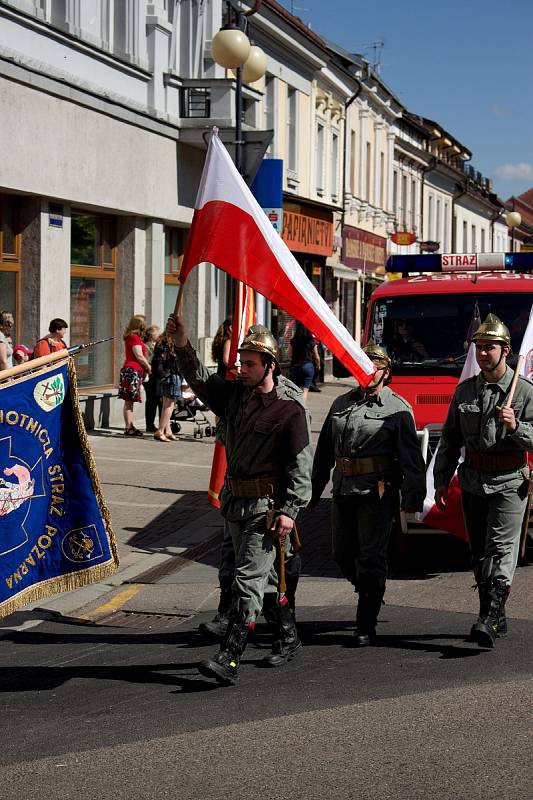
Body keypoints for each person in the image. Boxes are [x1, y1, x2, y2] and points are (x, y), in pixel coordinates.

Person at [167, 316, 313, 685]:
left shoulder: (288, 407)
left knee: (246, 581)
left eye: (250, 363)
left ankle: (229, 656)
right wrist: (183, 343)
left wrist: (290, 511)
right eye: (241, 362)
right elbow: (200, 378)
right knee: (261, 582)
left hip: (266, 511)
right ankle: (289, 637)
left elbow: (300, 466)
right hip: (235, 503)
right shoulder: (233, 395)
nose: (242, 369)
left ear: (270, 365)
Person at [309, 342, 426, 646]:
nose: (366, 372)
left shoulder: (397, 408)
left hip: (377, 492)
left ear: (386, 372)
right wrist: (312, 489)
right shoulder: (340, 404)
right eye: (361, 365)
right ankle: (371, 590)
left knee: (371, 555)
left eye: (373, 367)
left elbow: (413, 458)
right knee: (341, 554)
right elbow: (323, 453)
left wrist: (414, 495)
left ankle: (366, 620)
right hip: (343, 489)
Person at [434, 314, 533, 648]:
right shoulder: (464, 392)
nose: (482, 353)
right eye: (478, 347)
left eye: (489, 347)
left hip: (509, 482)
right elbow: (449, 440)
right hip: (474, 481)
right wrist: (440, 480)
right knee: (478, 554)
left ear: (505, 351)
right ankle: (494, 614)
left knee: (501, 549)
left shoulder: (524, 392)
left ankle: (488, 617)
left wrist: (516, 426)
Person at [118, 314, 151, 437]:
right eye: (143, 324)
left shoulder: (134, 337)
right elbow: (139, 356)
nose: (145, 327)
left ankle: (130, 426)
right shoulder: (133, 338)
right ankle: (128, 427)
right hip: (132, 370)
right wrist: (148, 366)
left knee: (130, 400)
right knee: (129, 400)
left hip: (133, 371)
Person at [153, 332, 183, 442]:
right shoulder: (174, 344)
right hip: (173, 375)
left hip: (163, 376)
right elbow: (179, 362)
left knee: (166, 404)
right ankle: (160, 431)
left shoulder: (161, 342)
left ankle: (168, 430)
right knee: (170, 405)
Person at [288, 322, 320, 403]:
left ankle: (294, 407)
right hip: (307, 366)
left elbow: (289, 354)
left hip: (295, 366)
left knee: (295, 389)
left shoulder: (293, 341)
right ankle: (302, 407)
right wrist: (318, 365)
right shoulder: (311, 341)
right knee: (304, 390)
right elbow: (316, 356)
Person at [143, 324, 161, 433]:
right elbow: (148, 360)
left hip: (158, 377)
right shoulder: (146, 346)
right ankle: (149, 425)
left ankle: (162, 425)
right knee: (151, 401)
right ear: (151, 336)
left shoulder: (157, 345)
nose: (159, 336)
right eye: (157, 334)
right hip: (150, 377)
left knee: (160, 402)